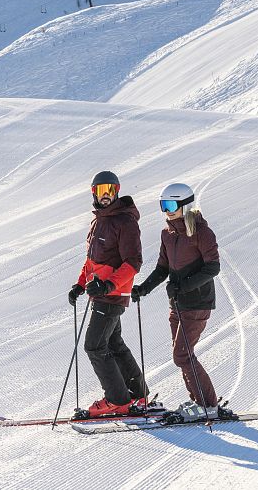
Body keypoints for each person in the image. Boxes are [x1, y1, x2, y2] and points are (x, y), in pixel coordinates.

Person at [131, 182, 223, 421]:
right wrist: (144, 288)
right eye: (163, 205)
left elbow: (213, 267)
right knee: (183, 354)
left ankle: (208, 404)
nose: (167, 210)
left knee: (182, 355)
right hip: (177, 304)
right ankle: (198, 401)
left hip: (197, 303)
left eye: (171, 205)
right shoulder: (168, 233)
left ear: (185, 204)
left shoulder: (201, 232)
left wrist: (183, 286)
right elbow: (163, 268)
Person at [68, 170, 149, 418]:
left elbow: (133, 262)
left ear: (117, 191)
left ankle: (117, 400)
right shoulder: (99, 220)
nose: (106, 195)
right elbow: (92, 261)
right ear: (94, 192)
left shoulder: (124, 222)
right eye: (101, 190)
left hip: (112, 295)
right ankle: (137, 394)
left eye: (110, 190)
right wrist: (80, 284)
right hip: (101, 293)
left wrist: (107, 285)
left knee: (94, 345)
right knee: (113, 343)